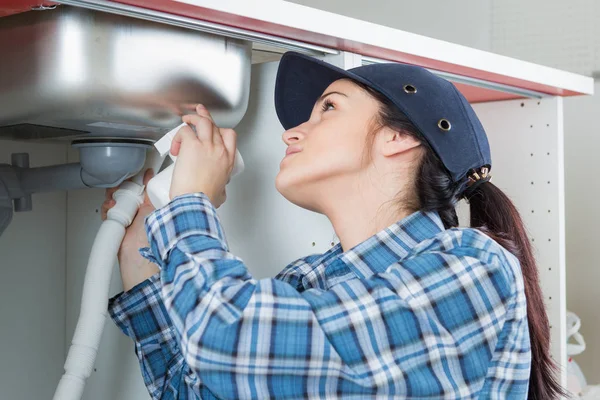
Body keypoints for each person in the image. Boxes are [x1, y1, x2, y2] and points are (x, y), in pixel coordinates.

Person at [102, 52, 564, 399]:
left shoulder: (470, 270)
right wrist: (139, 245)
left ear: (399, 138)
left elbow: (230, 339)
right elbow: (193, 389)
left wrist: (191, 201)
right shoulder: (310, 282)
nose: (292, 132)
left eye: (327, 108)